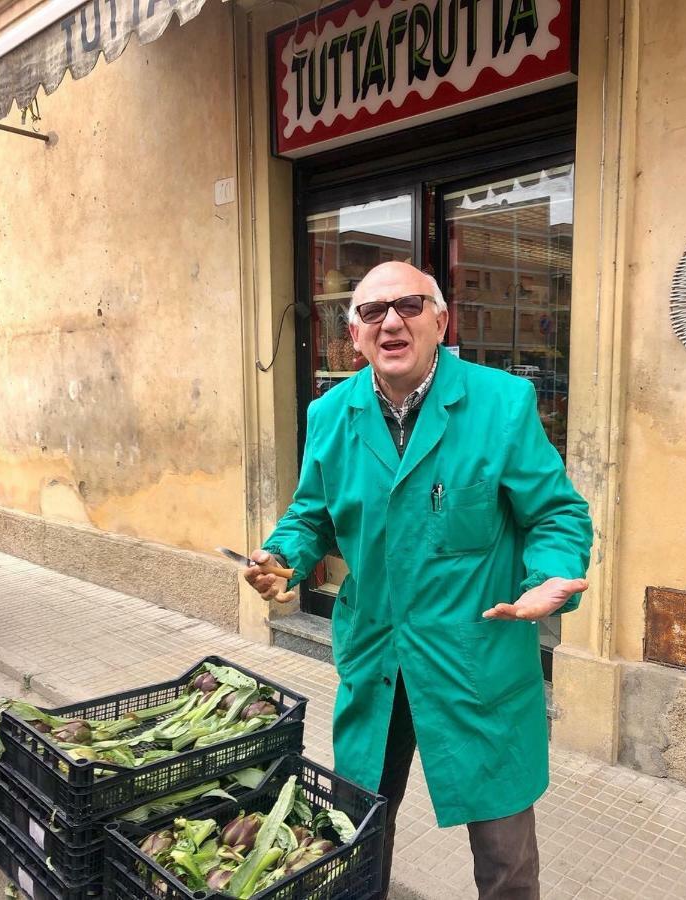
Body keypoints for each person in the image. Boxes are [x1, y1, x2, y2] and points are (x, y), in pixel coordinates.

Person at [244, 261, 593, 899]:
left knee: (505, 856)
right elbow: (312, 513)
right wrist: (283, 556)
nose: (391, 321)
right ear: (355, 336)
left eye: (408, 305)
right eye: (373, 312)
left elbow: (556, 513)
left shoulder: (500, 404)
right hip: (377, 655)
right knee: (356, 830)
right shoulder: (330, 414)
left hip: (475, 660)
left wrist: (551, 575)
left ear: (439, 320)